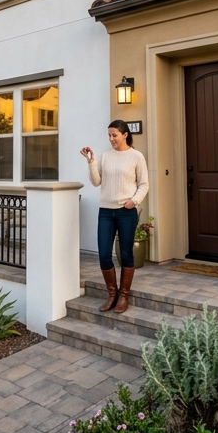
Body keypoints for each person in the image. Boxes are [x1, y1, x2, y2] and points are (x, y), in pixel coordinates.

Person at [80, 120, 149, 313]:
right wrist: (91, 162)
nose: (111, 139)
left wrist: (133, 201)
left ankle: (123, 295)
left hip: (126, 212)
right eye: (109, 135)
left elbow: (144, 184)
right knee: (103, 255)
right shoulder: (105, 156)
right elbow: (96, 182)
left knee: (126, 254)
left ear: (125, 134)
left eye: (114, 135)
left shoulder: (136, 156)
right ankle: (112, 294)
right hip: (106, 212)